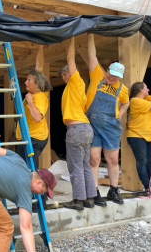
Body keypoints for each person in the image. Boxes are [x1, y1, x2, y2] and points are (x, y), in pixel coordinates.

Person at [86, 34, 130, 206]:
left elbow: (126, 103)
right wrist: (90, 35)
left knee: (112, 159)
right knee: (94, 159)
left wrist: (120, 114)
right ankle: (95, 191)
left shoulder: (123, 89)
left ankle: (113, 190)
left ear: (120, 77)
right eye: (110, 74)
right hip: (93, 125)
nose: (111, 78)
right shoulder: (97, 75)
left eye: (115, 77)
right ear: (107, 71)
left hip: (111, 126)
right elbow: (92, 56)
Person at [59, 37, 96, 210]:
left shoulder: (76, 82)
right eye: (62, 75)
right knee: (84, 165)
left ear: (72, 74)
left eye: (66, 73)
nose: (64, 76)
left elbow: (70, 59)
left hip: (78, 128)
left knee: (75, 167)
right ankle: (89, 198)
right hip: (84, 128)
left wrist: (72, 36)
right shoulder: (74, 89)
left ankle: (77, 201)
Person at [15, 44, 52, 204]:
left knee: (30, 170)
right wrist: (40, 47)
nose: (25, 82)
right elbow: (39, 68)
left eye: (28, 80)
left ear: (36, 83)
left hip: (35, 138)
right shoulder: (35, 91)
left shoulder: (38, 97)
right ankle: (37, 197)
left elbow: (37, 117)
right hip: (27, 136)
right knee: (27, 169)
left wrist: (29, 100)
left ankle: (40, 199)